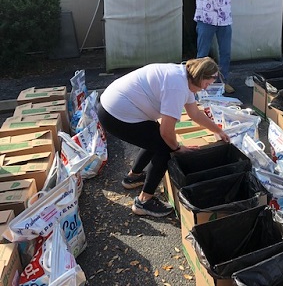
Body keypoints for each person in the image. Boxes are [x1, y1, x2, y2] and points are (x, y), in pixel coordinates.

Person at [97, 57, 230, 217]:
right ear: (200, 77)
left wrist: (218, 130)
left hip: (113, 105)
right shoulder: (178, 87)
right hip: (116, 114)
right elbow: (167, 133)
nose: (207, 88)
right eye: (208, 83)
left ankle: (133, 177)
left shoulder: (185, 77)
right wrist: (177, 148)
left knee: (153, 139)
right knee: (165, 148)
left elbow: (194, 113)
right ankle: (144, 201)